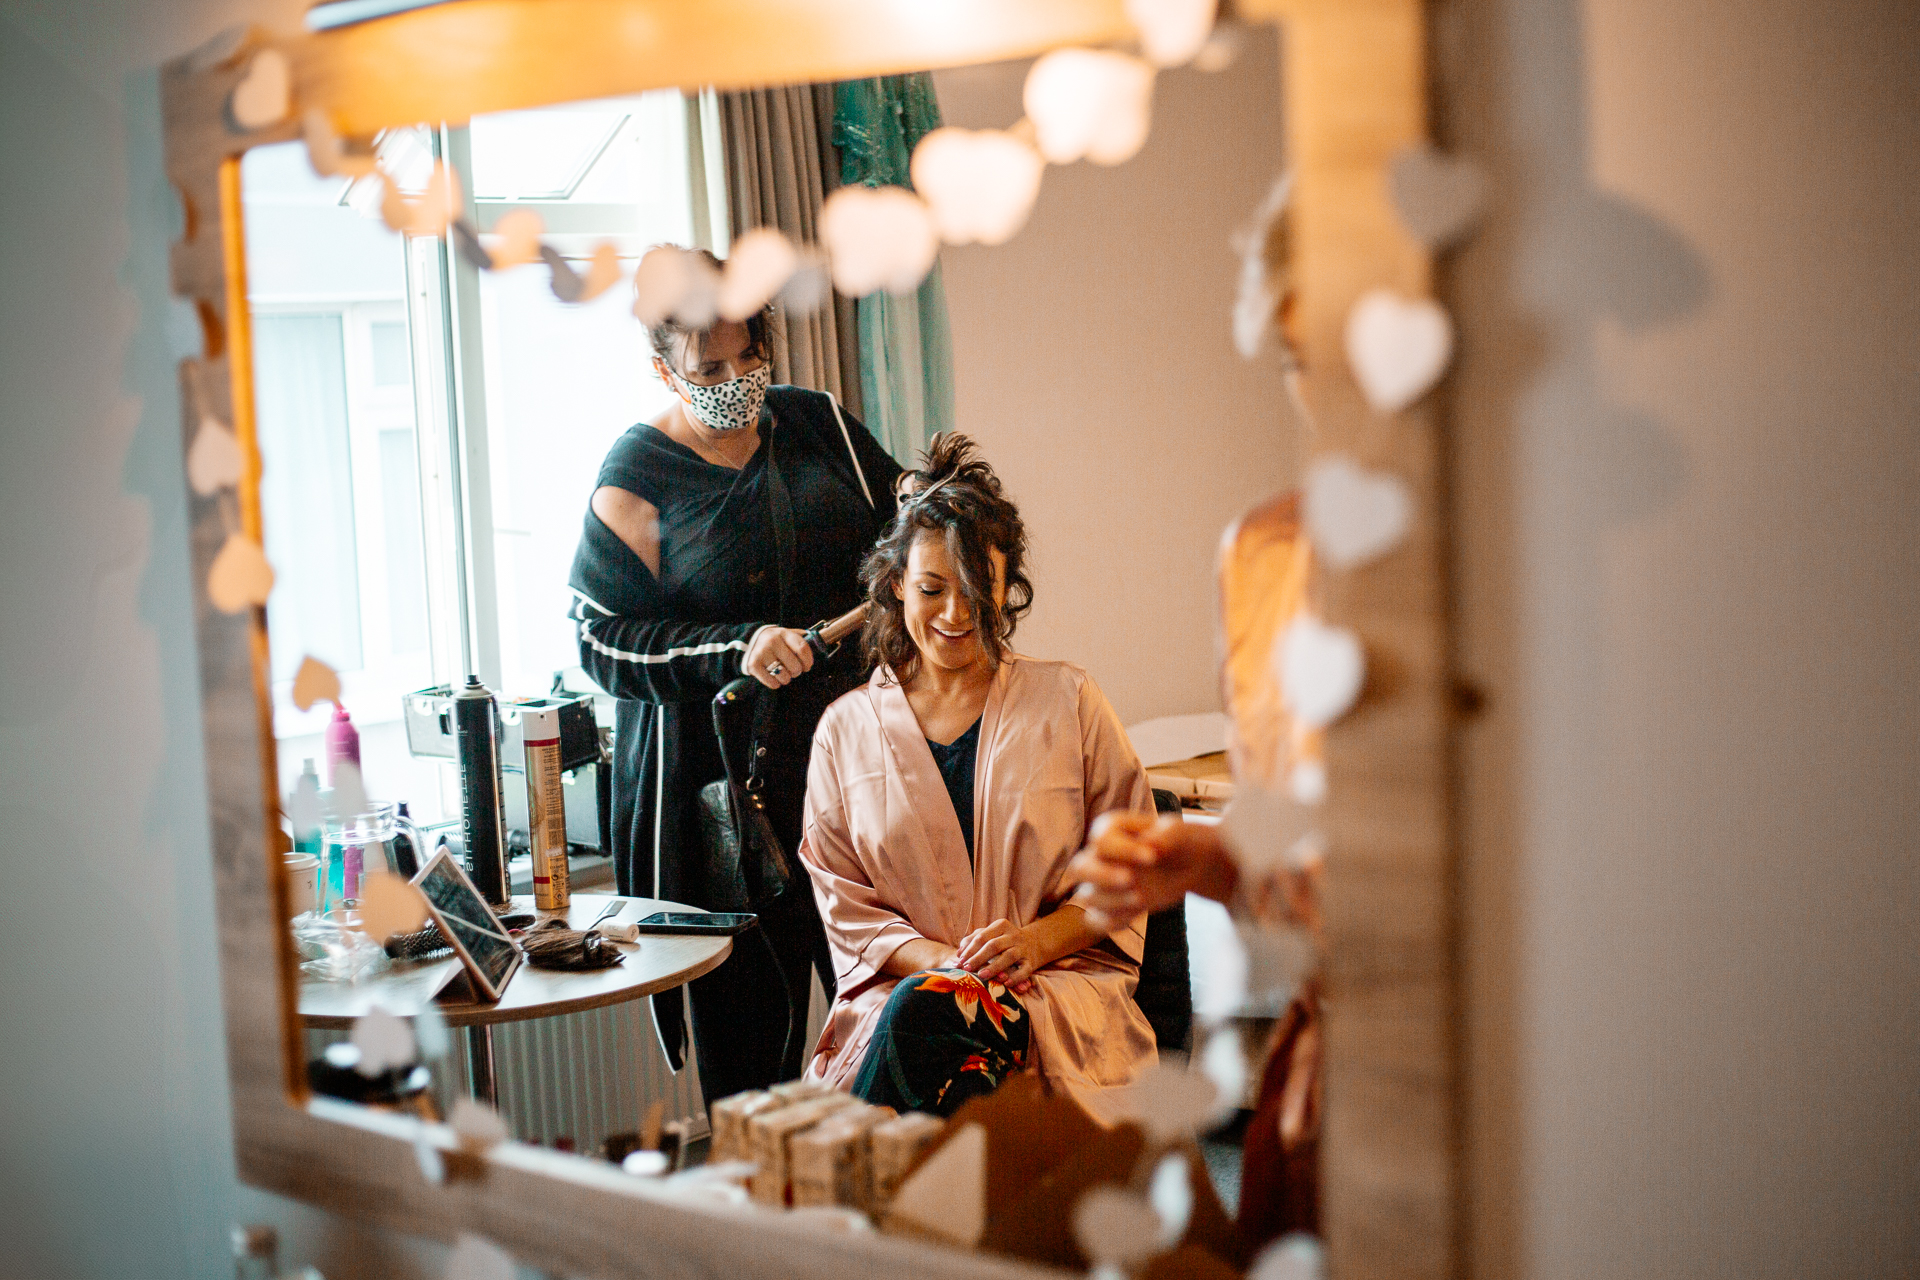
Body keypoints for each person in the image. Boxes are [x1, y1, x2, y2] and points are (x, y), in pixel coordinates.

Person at [568, 255, 902, 1105]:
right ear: (663, 369)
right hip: (725, 809)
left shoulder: (819, 424)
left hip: (854, 778)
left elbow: (907, 524)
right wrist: (736, 647)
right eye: (708, 370)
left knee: (897, 1018)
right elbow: (604, 645)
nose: (736, 381)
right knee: (754, 1054)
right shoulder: (635, 480)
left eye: (748, 357)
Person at [797, 434, 1158, 1119]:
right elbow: (845, 905)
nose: (955, 616)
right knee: (934, 1014)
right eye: (932, 589)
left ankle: (849, 1210)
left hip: (1053, 991)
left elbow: (1130, 869)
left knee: (941, 1029)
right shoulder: (845, 730)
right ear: (898, 583)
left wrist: (1031, 944)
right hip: (904, 998)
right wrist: (948, 966)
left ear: (1005, 588)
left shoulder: (1069, 702)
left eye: (975, 591)